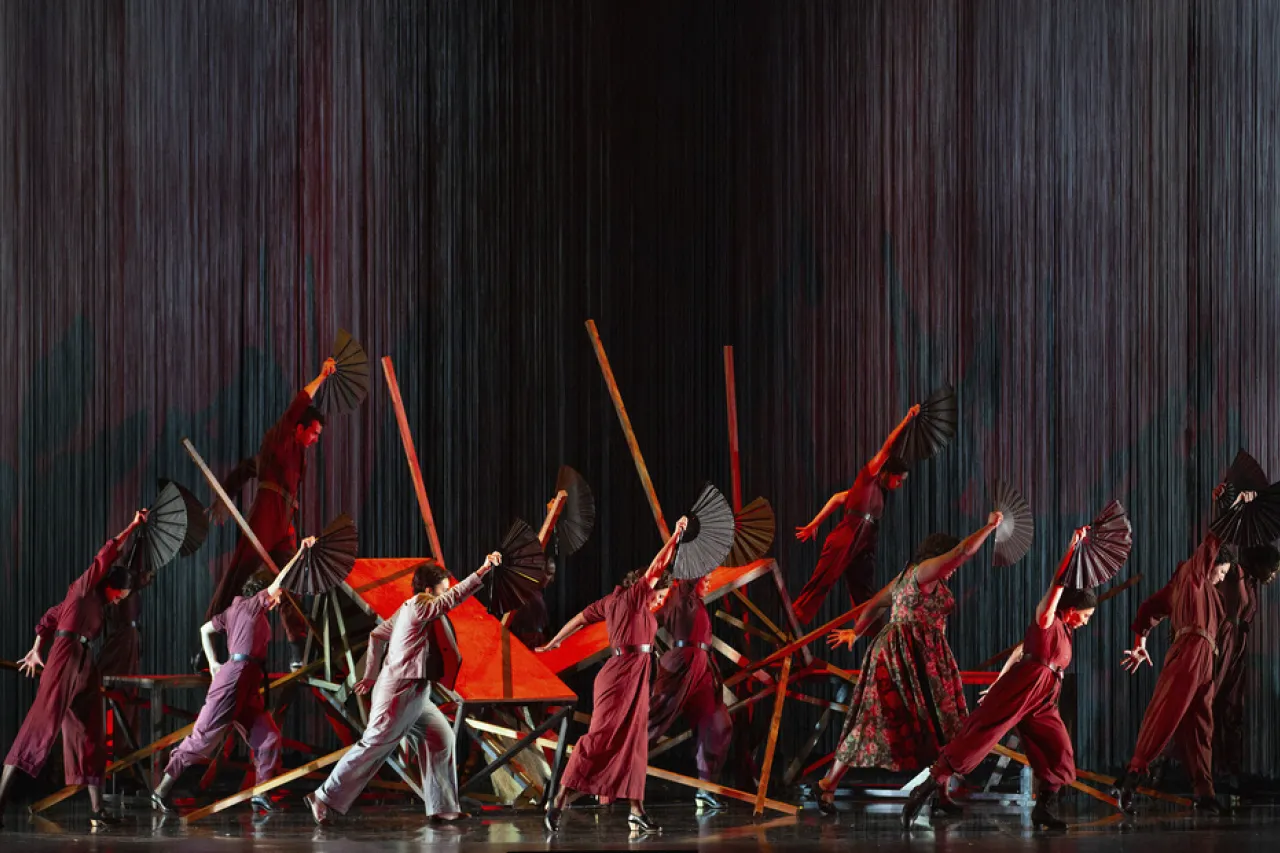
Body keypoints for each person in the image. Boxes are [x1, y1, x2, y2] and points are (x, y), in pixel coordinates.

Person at [902, 528, 1097, 830]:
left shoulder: (1065, 631)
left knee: (1058, 748)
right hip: (1025, 685)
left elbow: (1020, 650)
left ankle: (1044, 807)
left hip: (1044, 695)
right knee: (980, 736)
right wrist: (1071, 550)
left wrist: (999, 678)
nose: (1087, 621)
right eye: (1086, 615)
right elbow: (1058, 584)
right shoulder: (1046, 617)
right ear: (1071, 610)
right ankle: (926, 788)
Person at [813, 511, 1003, 814]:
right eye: (948, 561)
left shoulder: (911, 576)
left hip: (923, 658)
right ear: (938, 556)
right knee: (874, 719)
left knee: (939, 724)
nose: (953, 569)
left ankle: (940, 794)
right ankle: (827, 785)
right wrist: (990, 527)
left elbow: (875, 604)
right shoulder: (924, 571)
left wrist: (856, 632)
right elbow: (963, 552)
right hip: (903, 656)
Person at [305, 552, 502, 826]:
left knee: (440, 736)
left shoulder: (407, 608)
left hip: (415, 690)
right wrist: (482, 571)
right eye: (441, 590)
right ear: (428, 590)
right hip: (399, 690)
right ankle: (323, 796)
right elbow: (452, 599)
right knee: (374, 744)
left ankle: (443, 807)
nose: (445, 594)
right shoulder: (421, 604)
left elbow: (377, 635)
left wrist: (371, 675)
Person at [537, 517, 688, 835]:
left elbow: (580, 618)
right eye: (661, 593)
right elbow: (657, 567)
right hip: (619, 677)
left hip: (636, 678)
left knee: (635, 744)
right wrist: (675, 537)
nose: (662, 599)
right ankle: (558, 802)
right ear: (648, 587)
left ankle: (636, 811)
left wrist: (556, 640)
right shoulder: (632, 599)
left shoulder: (618, 603)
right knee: (599, 739)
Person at [0, 510, 148, 827]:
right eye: (122, 593)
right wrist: (132, 526)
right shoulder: (83, 588)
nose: (123, 599)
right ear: (112, 585)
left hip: (84, 661)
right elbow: (106, 554)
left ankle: (97, 812)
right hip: (66, 657)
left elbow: (48, 618)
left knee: (92, 730)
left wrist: (36, 647)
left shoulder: (92, 602)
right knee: (38, 729)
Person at [149, 539, 314, 813]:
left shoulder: (236, 611)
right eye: (274, 596)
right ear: (263, 593)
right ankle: (161, 790)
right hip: (234, 679)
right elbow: (280, 582)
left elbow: (204, 630)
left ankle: (261, 792)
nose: (277, 601)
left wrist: (214, 662)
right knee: (202, 739)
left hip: (245, 684)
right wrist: (301, 552)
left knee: (269, 736)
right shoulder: (249, 606)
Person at [206, 357, 336, 669]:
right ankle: (210, 635)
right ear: (300, 427)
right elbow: (299, 402)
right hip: (266, 512)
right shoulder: (280, 437)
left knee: (290, 574)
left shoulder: (295, 455)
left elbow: (246, 469)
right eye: (314, 432)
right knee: (241, 571)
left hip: (284, 520)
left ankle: (297, 646)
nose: (316, 439)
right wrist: (320, 376)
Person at [1113, 525, 1240, 815]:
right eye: (1222, 571)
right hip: (1190, 649)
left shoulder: (1195, 589)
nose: (1222, 578)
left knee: (1201, 726)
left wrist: (1140, 642)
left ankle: (1204, 792)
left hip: (1206, 658)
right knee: (1167, 712)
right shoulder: (1193, 573)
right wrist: (1227, 503)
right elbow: (1213, 538)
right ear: (1213, 562)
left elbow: (1149, 610)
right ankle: (1132, 774)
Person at [792, 405, 918, 627]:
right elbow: (889, 447)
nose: (899, 485)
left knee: (864, 597)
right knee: (821, 583)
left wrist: (815, 523)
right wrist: (907, 420)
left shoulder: (877, 493)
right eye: (899, 479)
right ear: (889, 473)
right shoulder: (868, 477)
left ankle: (875, 635)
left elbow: (838, 498)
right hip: (845, 539)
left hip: (864, 546)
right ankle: (791, 627)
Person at [648, 574, 732, 812]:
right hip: (684, 664)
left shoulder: (695, 600)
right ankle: (612, 773)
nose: (709, 582)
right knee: (651, 720)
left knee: (717, 724)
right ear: (691, 578)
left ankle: (705, 789)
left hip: (703, 667)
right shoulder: (681, 594)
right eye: (705, 578)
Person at [1213, 543, 1278, 789]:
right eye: (1272, 568)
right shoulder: (1235, 572)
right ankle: (1212, 770)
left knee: (1233, 708)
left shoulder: (1252, 583)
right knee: (1214, 704)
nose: (1273, 575)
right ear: (1260, 564)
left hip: (1238, 646)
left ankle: (1231, 770)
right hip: (1224, 641)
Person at [508, 557, 555, 650]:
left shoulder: (536, 594)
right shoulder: (528, 594)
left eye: (552, 574)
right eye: (549, 573)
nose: (551, 579)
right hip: (524, 647)